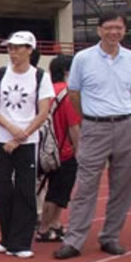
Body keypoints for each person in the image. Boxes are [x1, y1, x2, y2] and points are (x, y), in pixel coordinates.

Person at [54, 12, 131, 259]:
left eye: (119, 27)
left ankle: (110, 236)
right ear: (99, 30)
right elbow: (74, 93)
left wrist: (117, 110)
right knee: (85, 185)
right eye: (109, 27)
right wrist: (90, 117)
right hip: (94, 126)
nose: (114, 32)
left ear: (124, 30)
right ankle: (74, 241)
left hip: (126, 125)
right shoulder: (83, 58)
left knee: (123, 186)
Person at [0, 31, 54, 259]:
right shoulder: (0, 73)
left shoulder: (40, 77)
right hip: (1, 139)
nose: (12, 52)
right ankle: (7, 238)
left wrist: (20, 136)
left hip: (28, 140)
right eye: (10, 48)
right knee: (3, 190)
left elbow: (43, 112)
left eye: (18, 48)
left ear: (29, 50)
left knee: (25, 190)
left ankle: (22, 242)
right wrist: (10, 129)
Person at [36, 55, 79, 243]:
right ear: (67, 72)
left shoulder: (45, 92)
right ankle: (45, 228)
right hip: (64, 150)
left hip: (45, 148)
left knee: (52, 189)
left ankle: (54, 225)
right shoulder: (68, 94)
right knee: (58, 192)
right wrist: (80, 150)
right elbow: (73, 126)